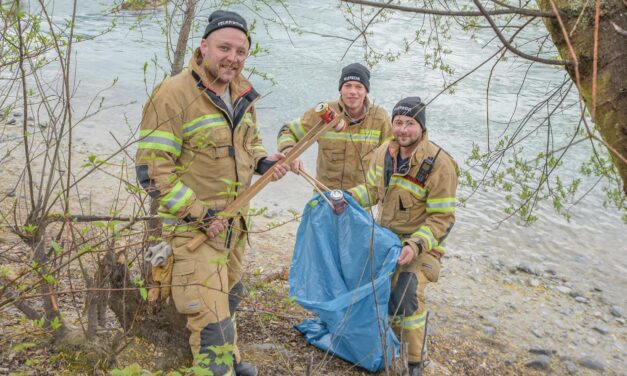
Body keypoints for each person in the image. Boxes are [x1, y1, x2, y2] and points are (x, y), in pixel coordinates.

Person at [135, 10, 289, 376]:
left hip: (235, 225)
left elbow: (248, 142)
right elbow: (152, 173)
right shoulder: (173, 94)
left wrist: (264, 161)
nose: (232, 58)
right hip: (194, 231)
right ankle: (217, 369)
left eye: (240, 51)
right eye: (224, 48)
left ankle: (231, 362)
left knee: (229, 299)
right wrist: (200, 214)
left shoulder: (242, 91)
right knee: (209, 320)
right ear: (203, 46)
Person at [347, 97, 458, 375]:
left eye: (410, 123)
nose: (403, 130)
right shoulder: (384, 152)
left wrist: (415, 245)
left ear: (421, 127)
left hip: (423, 249)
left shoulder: (440, 164)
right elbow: (372, 190)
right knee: (369, 290)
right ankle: (385, 348)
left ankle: (413, 363)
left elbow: (442, 218)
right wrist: (346, 199)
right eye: (398, 122)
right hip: (386, 241)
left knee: (406, 293)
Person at [277, 63, 392, 190]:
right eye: (347, 86)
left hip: (361, 201)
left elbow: (393, 154)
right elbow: (287, 131)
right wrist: (290, 154)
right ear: (340, 89)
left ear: (366, 91)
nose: (353, 92)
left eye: (359, 87)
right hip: (325, 195)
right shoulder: (324, 112)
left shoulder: (380, 118)